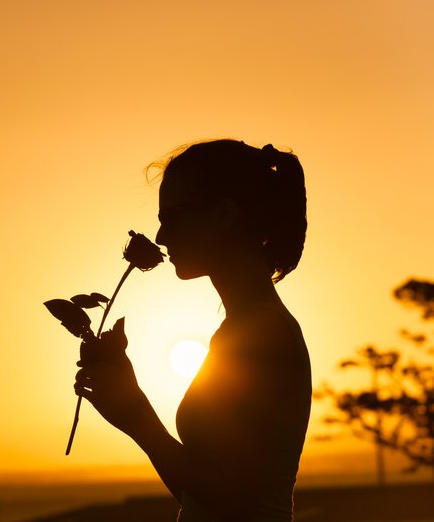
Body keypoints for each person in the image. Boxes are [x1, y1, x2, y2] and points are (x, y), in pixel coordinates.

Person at [74, 139, 311, 521]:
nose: (162, 237)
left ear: (224, 215)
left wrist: (135, 415)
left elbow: (232, 498)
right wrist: (128, 396)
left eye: (173, 217)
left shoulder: (261, 331)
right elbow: (200, 494)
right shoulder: (247, 326)